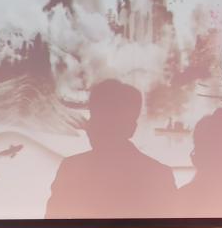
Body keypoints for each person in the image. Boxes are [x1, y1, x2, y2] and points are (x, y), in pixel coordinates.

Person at [44, 79, 177, 219]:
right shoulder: (159, 175)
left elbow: (53, 226)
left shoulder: (71, 169)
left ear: (130, 128)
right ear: (132, 129)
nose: (90, 127)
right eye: (95, 117)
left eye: (104, 121)